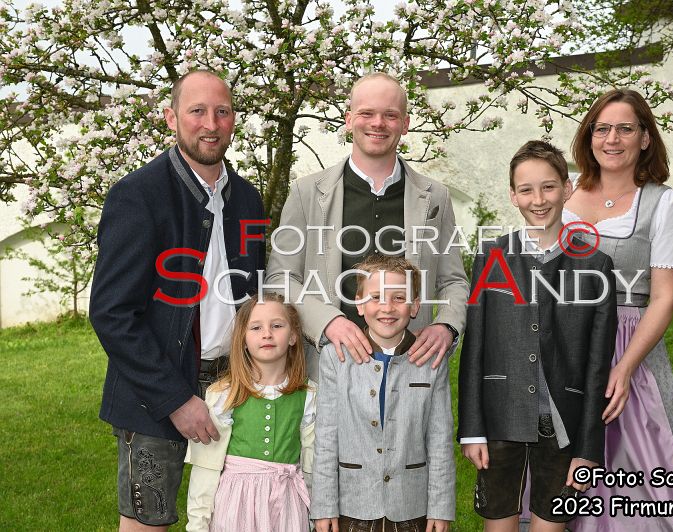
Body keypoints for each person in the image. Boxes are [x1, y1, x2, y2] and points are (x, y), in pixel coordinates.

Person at [89, 70, 266, 530]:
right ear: (171, 118)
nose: (211, 123)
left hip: (234, 387)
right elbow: (111, 313)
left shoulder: (248, 200)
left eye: (222, 112)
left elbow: (256, 296)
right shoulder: (137, 195)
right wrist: (175, 399)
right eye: (197, 111)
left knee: (238, 517)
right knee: (148, 522)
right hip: (154, 395)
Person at [265, 72, 468, 380]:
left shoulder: (435, 197)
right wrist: (327, 322)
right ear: (349, 120)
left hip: (410, 369)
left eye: (390, 115)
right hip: (329, 367)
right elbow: (281, 278)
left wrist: (447, 325)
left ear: (405, 124)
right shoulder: (306, 193)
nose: (378, 123)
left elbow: (453, 280)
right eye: (367, 113)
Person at [458, 140, 617, 532]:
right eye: (526, 189)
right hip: (501, 418)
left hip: (563, 424)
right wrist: (471, 429)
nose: (539, 199)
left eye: (548, 187)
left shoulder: (596, 265)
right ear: (513, 196)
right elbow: (474, 349)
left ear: (567, 188)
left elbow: (598, 363)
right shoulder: (491, 256)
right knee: (498, 523)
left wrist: (588, 447)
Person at [563, 88, 673, 531]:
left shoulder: (664, 204)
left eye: (625, 128)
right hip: (562, 343)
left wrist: (623, 368)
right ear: (589, 136)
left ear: (645, 138)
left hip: (627, 345)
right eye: (602, 128)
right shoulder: (562, 194)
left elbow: (664, 298)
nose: (612, 139)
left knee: (633, 475)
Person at [311, 254, 455, 532]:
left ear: (415, 306)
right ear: (359, 304)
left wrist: (441, 508)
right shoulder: (335, 357)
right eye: (376, 297)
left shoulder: (431, 361)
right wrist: (324, 506)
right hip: (353, 505)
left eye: (399, 298)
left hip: (411, 507)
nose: (387, 307)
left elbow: (440, 440)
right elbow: (326, 436)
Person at [185, 293, 316, 531]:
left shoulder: (308, 395)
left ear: (293, 336)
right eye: (256, 327)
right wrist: (198, 524)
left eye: (277, 326)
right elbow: (206, 466)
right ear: (243, 340)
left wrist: (317, 512)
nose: (267, 334)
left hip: (287, 503)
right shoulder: (225, 394)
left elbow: (311, 462)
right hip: (236, 504)